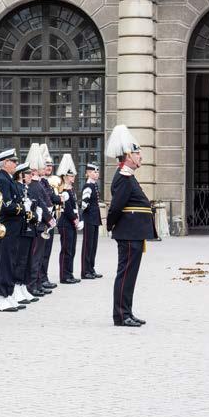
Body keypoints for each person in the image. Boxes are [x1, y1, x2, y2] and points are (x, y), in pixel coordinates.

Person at [105, 125, 156, 327]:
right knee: (125, 274)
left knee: (130, 275)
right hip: (128, 233)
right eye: (137, 153)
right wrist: (111, 225)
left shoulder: (129, 177)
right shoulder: (124, 178)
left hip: (133, 233)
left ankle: (126, 311)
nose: (141, 157)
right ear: (128, 156)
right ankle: (121, 315)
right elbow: (116, 207)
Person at [0, 148, 26, 313]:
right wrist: (22, 208)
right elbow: (7, 205)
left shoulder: (8, 179)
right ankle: (2, 296)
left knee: (12, 261)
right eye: (14, 161)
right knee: (5, 262)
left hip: (14, 227)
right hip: (6, 226)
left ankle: (9, 293)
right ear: (5, 163)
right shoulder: (2, 180)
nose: (16, 164)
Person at [24, 144, 55, 298]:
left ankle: (36, 283)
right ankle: (32, 285)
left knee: (39, 256)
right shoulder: (35, 185)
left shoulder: (38, 183)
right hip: (38, 225)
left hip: (42, 224)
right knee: (35, 257)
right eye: (42, 166)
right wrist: (49, 218)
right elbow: (41, 203)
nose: (45, 168)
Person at [11, 162, 39, 305]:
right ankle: (16, 287)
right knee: (20, 260)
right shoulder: (17, 187)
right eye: (28, 174)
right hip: (21, 229)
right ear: (21, 175)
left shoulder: (25, 188)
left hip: (29, 227)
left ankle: (22, 286)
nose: (30, 176)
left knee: (27, 260)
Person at [39, 145, 61, 291]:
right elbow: (46, 199)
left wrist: (59, 198)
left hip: (50, 220)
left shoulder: (47, 182)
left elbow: (52, 198)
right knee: (40, 252)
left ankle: (44, 276)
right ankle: (40, 279)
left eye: (51, 165)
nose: (49, 167)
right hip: (42, 221)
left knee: (46, 252)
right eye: (46, 165)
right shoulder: (40, 182)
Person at [56, 154, 81, 284]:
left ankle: (69, 273)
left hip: (71, 223)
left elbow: (75, 206)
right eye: (71, 176)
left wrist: (77, 218)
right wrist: (75, 220)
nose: (73, 177)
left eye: (73, 175)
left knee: (71, 250)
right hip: (66, 223)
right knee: (66, 250)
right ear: (65, 176)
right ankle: (64, 276)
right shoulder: (65, 190)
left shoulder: (71, 189)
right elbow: (67, 208)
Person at [80, 163, 103, 280]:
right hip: (89, 219)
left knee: (93, 245)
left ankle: (91, 269)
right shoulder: (88, 186)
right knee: (87, 246)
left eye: (97, 172)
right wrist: (82, 218)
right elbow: (84, 204)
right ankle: (85, 271)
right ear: (88, 173)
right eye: (94, 172)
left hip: (94, 219)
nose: (96, 174)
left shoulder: (94, 185)